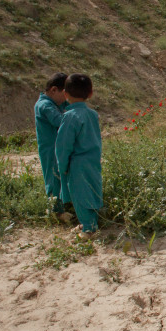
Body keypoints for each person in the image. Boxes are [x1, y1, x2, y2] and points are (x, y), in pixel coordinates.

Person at [55, 73, 103, 235]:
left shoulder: (70, 117)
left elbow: (63, 145)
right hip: (93, 160)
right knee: (92, 192)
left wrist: (62, 165)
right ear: (90, 94)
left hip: (77, 163)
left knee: (80, 196)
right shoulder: (92, 114)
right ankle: (90, 223)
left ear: (65, 94)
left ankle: (89, 229)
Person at [34, 73, 69, 215]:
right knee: (53, 178)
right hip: (50, 149)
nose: (66, 99)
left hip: (59, 148)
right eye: (65, 94)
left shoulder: (56, 103)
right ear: (54, 90)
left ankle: (63, 205)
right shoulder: (45, 106)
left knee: (61, 176)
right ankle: (55, 211)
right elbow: (60, 121)